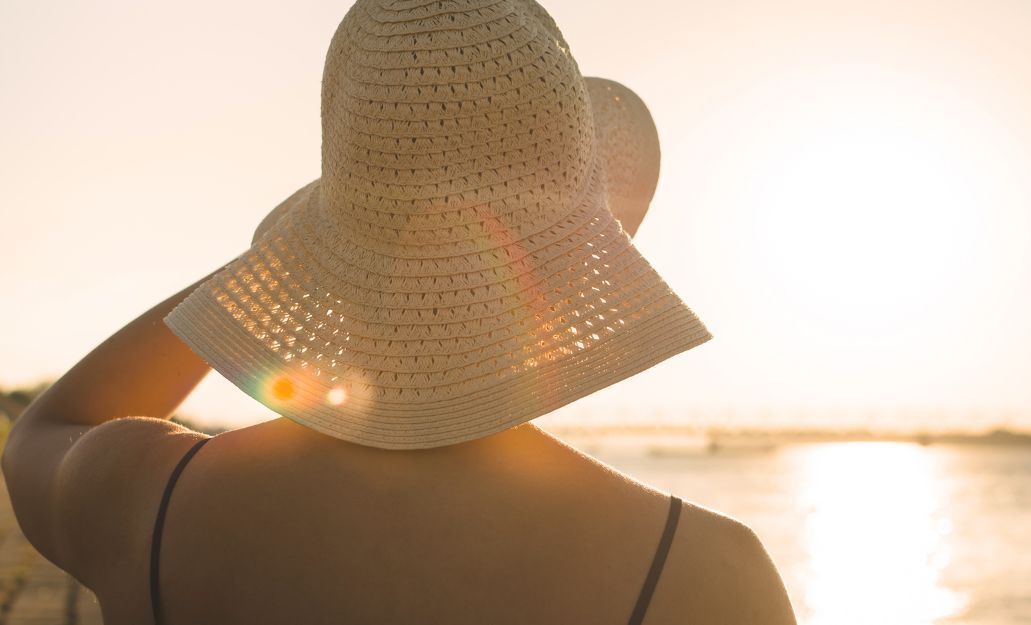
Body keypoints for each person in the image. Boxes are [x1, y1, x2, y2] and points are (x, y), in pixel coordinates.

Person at [2, 1, 798, 623]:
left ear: (322, 262)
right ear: (562, 274)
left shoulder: (145, 499)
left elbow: (47, 427)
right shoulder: (707, 575)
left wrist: (265, 275)